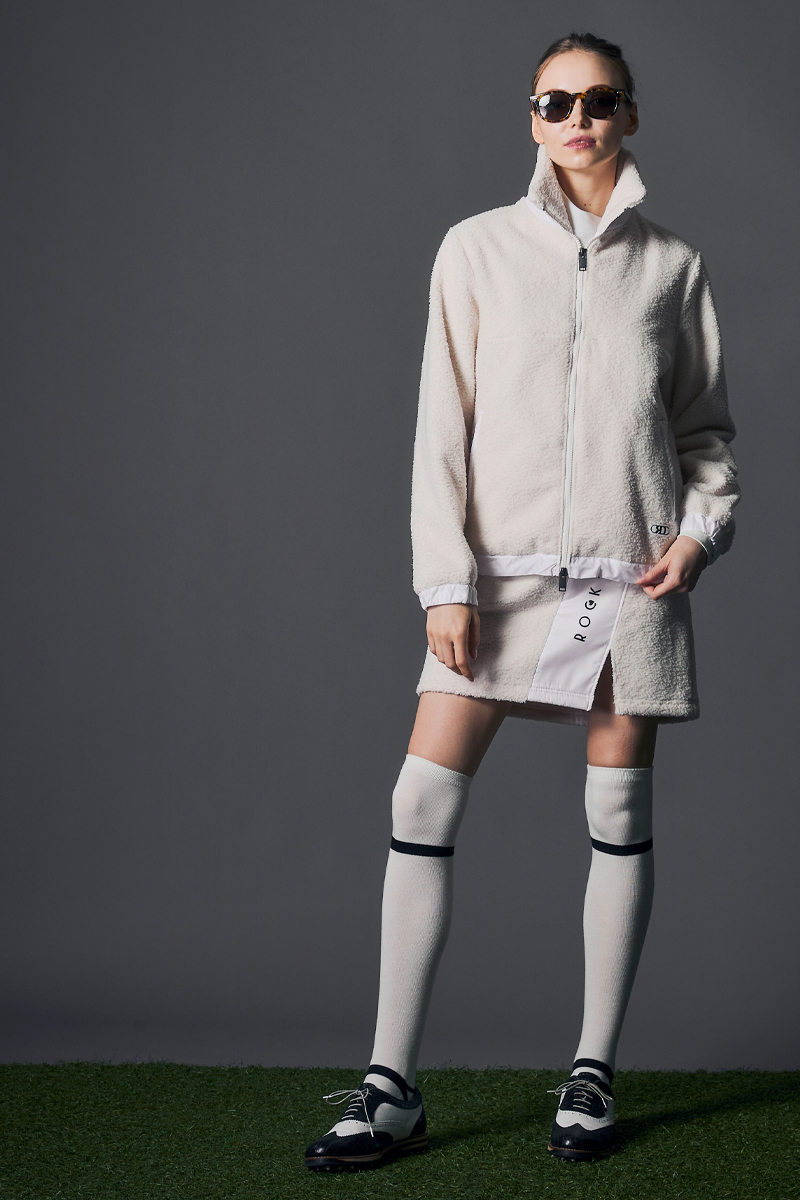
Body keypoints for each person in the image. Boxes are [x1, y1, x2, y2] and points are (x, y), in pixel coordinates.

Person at [305, 31, 739, 1171]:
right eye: (555, 102)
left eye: (598, 100)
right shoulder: (476, 249)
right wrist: (443, 584)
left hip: (628, 587)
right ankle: (390, 1087)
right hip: (493, 585)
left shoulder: (674, 266)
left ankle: (591, 1072)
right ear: (531, 117)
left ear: (629, 115)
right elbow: (438, 429)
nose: (576, 119)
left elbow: (705, 435)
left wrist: (697, 537)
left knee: (616, 815)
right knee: (420, 798)